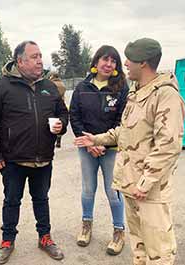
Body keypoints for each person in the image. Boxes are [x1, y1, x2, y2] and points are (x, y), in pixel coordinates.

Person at [75, 38, 185, 265]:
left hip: (149, 191)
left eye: (128, 59)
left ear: (143, 63)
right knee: (140, 248)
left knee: (159, 252)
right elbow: (124, 132)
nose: (124, 64)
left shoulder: (165, 95)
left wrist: (144, 184)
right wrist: (95, 138)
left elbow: (168, 146)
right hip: (131, 185)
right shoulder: (137, 93)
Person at [0, 40, 68, 264]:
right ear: (20, 61)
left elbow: (63, 114)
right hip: (13, 160)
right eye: (34, 56)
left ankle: (45, 237)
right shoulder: (2, 86)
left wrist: (61, 125)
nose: (40, 60)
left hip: (43, 158)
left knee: (41, 199)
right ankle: (7, 240)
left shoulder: (49, 87)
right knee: (12, 200)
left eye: (40, 55)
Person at [70, 45, 129, 255]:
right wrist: (89, 143)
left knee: (113, 192)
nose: (109, 64)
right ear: (96, 62)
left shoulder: (121, 88)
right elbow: (74, 116)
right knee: (88, 189)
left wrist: (103, 143)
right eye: (105, 59)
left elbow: (122, 119)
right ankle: (86, 225)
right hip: (87, 148)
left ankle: (119, 231)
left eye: (113, 61)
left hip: (110, 149)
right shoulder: (82, 87)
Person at [43, 70, 67, 148]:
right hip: (63, 105)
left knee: (53, 125)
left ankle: (53, 140)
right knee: (59, 124)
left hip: (54, 106)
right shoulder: (62, 85)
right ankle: (59, 140)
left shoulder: (51, 85)